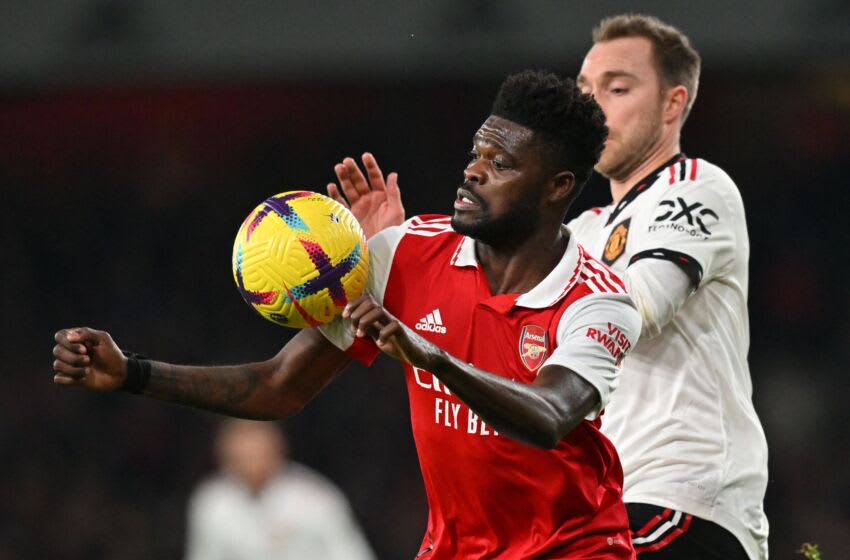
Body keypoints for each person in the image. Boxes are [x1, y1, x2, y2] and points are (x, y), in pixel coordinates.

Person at [53, 70, 643, 559]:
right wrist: (132, 372)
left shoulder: (599, 300)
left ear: (557, 186)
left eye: (502, 164)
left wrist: (428, 355)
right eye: (476, 153)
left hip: (577, 549)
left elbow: (548, 416)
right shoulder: (404, 253)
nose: (473, 171)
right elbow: (278, 386)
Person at [329, 14, 769, 560]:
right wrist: (403, 258)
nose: (597, 102)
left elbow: (630, 307)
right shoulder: (580, 232)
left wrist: (428, 284)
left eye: (618, 87)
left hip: (680, 498)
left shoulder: (695, 187)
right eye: (587, 88)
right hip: (599, 498)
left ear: (673, 105)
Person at [185, 419, 376, 560]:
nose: (250, 460)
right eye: (242, 454)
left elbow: (352, 554)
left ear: (277, 449)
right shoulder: (212, 502)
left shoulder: (314, 497)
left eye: (257, 450)